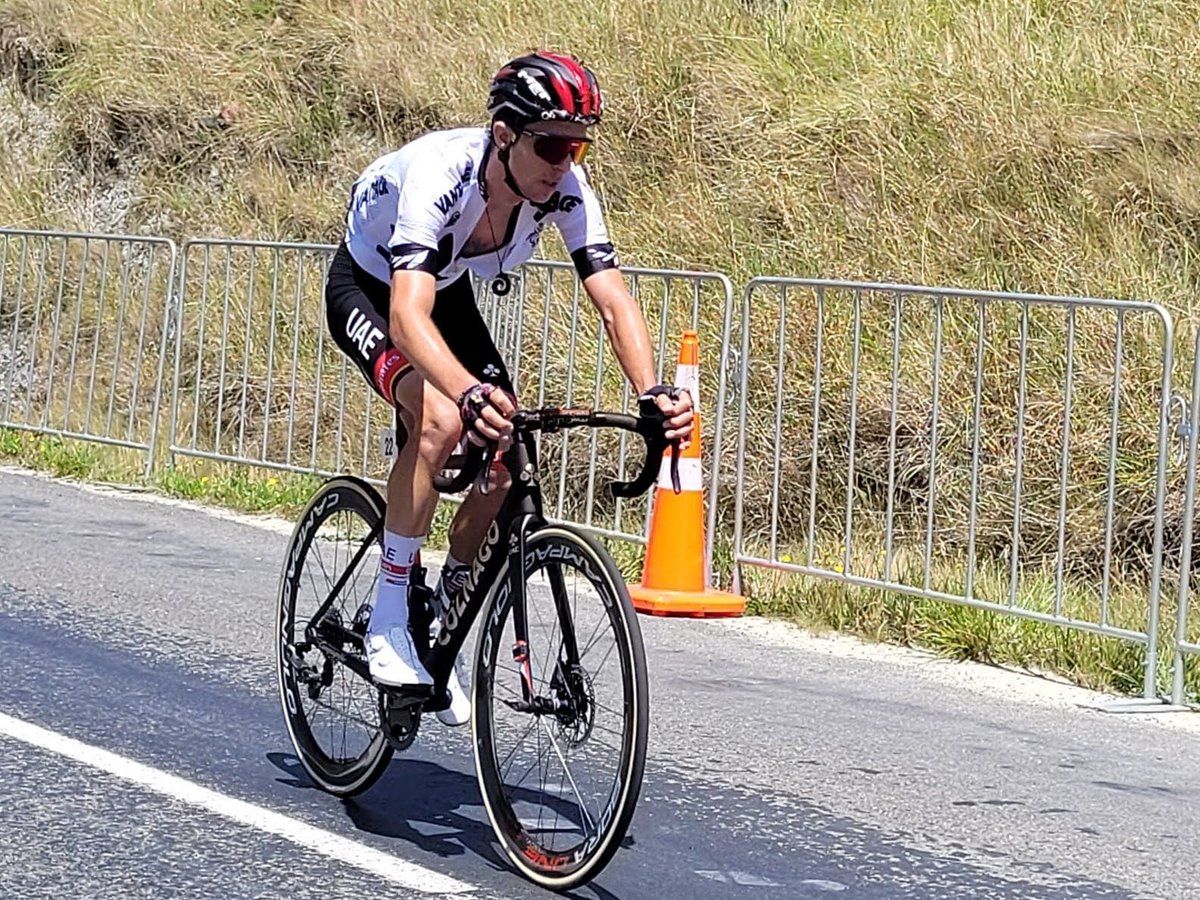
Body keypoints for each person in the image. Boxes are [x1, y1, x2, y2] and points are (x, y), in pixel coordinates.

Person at [324, 51, 694, 727]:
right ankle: (386, 615)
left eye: (577, 144)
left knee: (506, 436)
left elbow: (611, 297)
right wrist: (462, 391)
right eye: (551, 143)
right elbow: (408, 315)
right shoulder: (443, 173)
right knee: (439, 417)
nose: (565, 160)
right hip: (373, 289)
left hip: (448, 290)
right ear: (504, 134)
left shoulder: (567, 189)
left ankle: (447, 606)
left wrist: (651, 391)